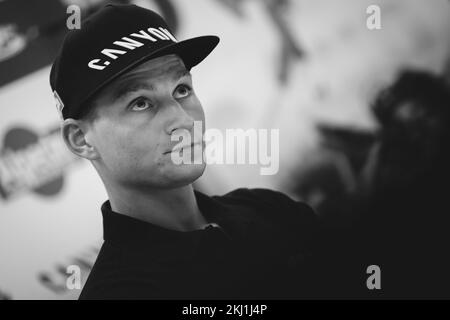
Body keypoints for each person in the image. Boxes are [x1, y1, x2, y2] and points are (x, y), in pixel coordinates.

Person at [50, 4, 319, 299]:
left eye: (182, 89)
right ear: (81, 139)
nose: (182, 119)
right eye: (140, 102)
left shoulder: (267, 207)